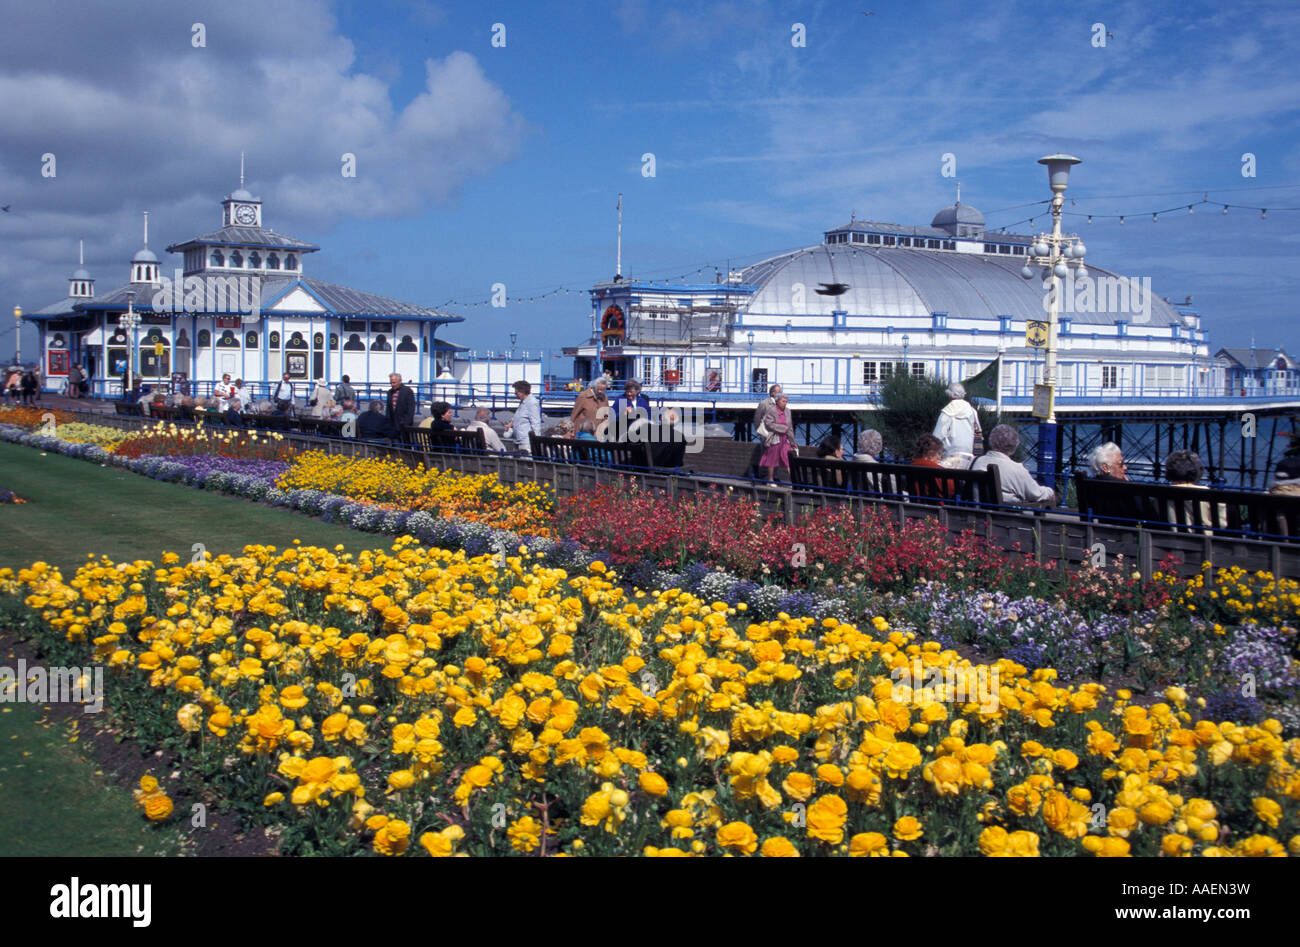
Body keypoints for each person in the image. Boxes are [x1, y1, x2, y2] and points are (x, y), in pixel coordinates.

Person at [971, 424, 1056, 507]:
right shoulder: (1016, 469)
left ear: (990, 441)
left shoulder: (976, 461)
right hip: (1007, 515)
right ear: (1014, 446)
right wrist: (1050, 492)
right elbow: (1035, 494)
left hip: (977, 511)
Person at [933, 382, 982, 457]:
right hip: (969, 455)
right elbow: (978, 433)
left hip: (949, 456)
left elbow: (937, 437)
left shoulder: (947, 412)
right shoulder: (972, 411)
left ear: (949, 395)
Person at [758, 394, 795, 482]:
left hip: (785, 438)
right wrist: (782, 428)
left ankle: (793, 480)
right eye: (783, 401)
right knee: (772, 458)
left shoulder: (788, 411)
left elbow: (790, 427)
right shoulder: (772, 411)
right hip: (775, 437)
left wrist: (793, 441)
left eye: (786, 401)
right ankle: (770, 479)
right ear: (777, 402)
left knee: (787, 457)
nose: (785, 403)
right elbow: (769, 424)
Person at [911, 433, 955, 499]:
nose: (940, 458)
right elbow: (951, 490)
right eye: (939, 454)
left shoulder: (912, 465)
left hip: (915, 503)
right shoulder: (936, 470)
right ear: (931, 454)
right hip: (937, 506)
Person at [505, 379, 542, 453]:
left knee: (525, 462)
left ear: (522, 392)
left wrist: (536, 440)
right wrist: (512, 423)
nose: (515, 394)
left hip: (526, 441)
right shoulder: (523, 402)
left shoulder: (531, 403)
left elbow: (536, 423)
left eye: (516, 392)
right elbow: (520, 416)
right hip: (519, 440)